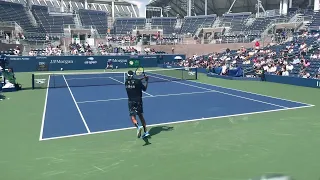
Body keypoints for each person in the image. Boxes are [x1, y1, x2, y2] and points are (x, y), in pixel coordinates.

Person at [125, 70, 150, 138]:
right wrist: (146, 80)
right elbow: (144, 89)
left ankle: (138, 126)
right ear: (133, 75)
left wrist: (142, 78)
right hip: (138, 101)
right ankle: (146, 132)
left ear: (127, 75)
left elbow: (134, 81)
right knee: (141, 116)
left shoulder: (126, 82)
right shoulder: (137, 82)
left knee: (133, 117)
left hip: (131, 102)